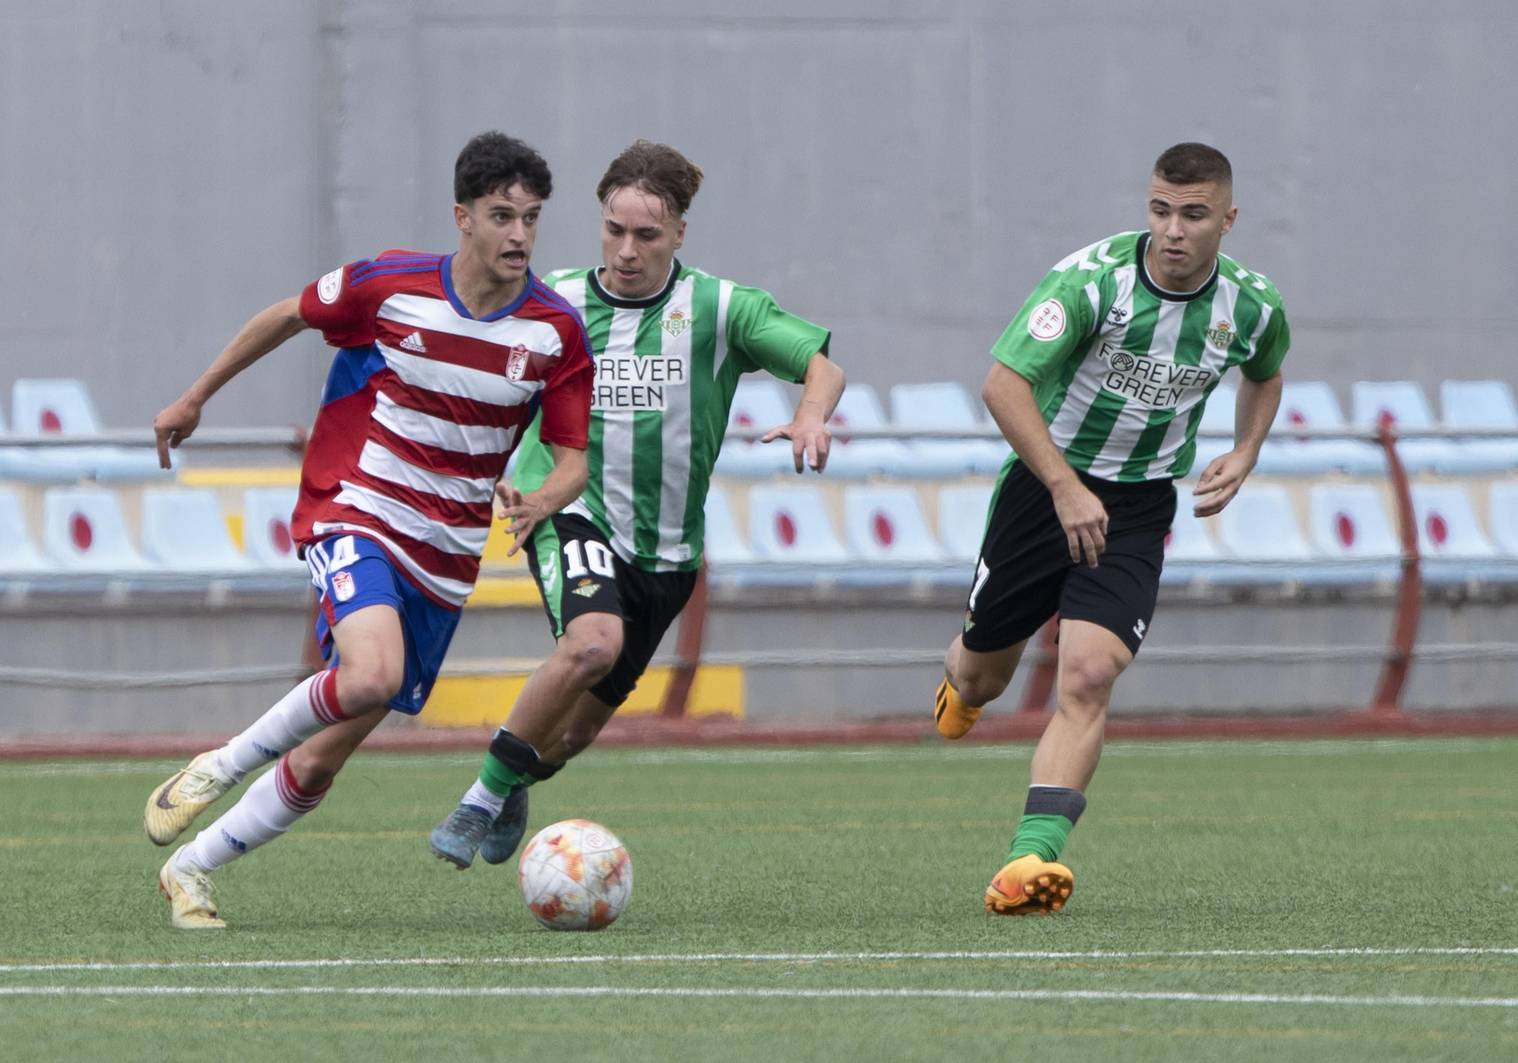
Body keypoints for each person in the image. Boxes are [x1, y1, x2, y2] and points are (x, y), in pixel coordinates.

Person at [141, 131, 595, 929]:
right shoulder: (388, 285)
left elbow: (573, 459)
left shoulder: (552, 332)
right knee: (372, 674)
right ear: (462, 217)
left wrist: (542, 498)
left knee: (322, 756)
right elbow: (288, 313)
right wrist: (195, 396)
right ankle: (219, 762)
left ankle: (190, 869)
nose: (520, 235)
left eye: (531, 218)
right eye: (501, 216)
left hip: (445, 558)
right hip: (357, 508)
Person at [428, 140, 845, 868]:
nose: (627, 250)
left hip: (668, 551)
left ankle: (520, 772)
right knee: (593, 642)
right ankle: (480, 797)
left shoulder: (718, 308)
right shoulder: (551, 299)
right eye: (613, 230)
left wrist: (811, 414)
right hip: (568, 507)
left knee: (572, 736)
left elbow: (821, 365)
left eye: (647, 235)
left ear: (679, 233)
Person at [932, 143, 1289, 915]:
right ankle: (960, 681)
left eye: (1194, 215)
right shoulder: (1090, 283)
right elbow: (1003, 385)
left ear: (1227, 220)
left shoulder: (1252, 305)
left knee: (1090, 674)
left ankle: (1029, 860)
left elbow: (1266, 369)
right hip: (1043, 488)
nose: (1173, 230)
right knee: (982, 677)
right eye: (1160, 210)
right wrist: (1063, 486)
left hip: (1136, 506)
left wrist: (1247, 449)